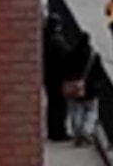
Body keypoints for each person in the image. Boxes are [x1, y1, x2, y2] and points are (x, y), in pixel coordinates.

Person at [63, 31, 103, 147]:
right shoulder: (94, 56)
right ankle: (86, 130)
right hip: (90, 89)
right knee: (92, 111)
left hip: (73, 87)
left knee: (76, 111)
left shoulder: (70, 53)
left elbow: (65, 70)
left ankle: (78, 135)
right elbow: (98, 73)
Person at [43, 13, 72, 141]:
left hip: (48, 75)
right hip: (58, 76)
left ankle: (53, 131)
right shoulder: (57, 40)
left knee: (53, 105)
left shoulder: (45, 37)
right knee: (60, 106)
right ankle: (59, 132)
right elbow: (67, 56)